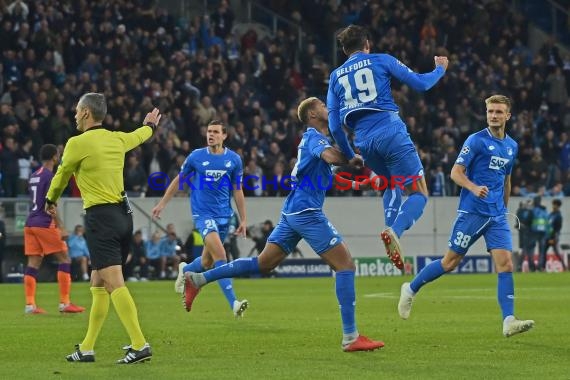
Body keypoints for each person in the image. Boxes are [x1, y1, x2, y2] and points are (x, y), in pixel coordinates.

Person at [181, 97, 384, 352]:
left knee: (263, 263)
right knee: (346, 265)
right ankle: (350, 336)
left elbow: (326, 176)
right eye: (321, 105)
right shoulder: (314, 138)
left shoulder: (314, 141)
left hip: (292, 212)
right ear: (311, 114)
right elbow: (332, 157)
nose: (326, 107)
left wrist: (357, 183)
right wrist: (355, 158)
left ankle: (198, 278)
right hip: (306, 212)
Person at [397, 95, 535, 338]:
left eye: (499, 112)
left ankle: (509, 319)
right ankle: (410, 288)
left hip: (496, 216)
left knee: (506, 264)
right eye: (491, 111)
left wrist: (504, 208)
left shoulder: (511, 146)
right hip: (471, 212)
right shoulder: (476, 140)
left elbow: (507, 180)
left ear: (508, 116)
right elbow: (455, 172)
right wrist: (473, 187)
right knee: (449, 263)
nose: (494, 115)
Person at [46, 93, 160, 364]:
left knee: (113, 283)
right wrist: (151, 126)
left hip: (101, 218)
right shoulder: (117, 138)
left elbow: (62, 174)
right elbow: (140, 136)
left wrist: (50, 200)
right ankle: (87, 348)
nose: (74, 115)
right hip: (123, 216)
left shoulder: (77, 143)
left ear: (86, 112)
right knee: (98, 282)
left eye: (76, 110)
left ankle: (139, 343)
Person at [326, 24, 448, 269]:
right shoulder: (381, 60)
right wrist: (439, 69)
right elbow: (421, 84)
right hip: (390, 131)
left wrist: (350, 155)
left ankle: (391, 231)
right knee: (419, 193)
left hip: (363, 142)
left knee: (390, 183)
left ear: (344, 50)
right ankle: (394, 231)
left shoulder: (335, 76)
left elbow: (335, 126)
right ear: (367, 45)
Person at [151, 120, 249, 317]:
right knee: (221, 257)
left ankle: (185, 269)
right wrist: (162, 203)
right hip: (203, 215)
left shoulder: (234, 160)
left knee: (206, 262)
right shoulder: (196, 157)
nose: (210, 135)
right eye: (208, 131)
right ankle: (234, 303)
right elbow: (179, 181)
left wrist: (243, 219)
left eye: (215, 132)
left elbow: (238, 190)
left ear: (224, 135)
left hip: (224, 216)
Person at [23, 144, 85, 314]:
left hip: (30, 223)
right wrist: (61, 226)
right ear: (55, 157)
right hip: (44, 223)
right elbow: (50, 205)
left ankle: (30, 305)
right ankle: (65, 303)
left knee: (33, 262)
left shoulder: (34, 175)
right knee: (65, 259)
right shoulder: (51, 176)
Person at [541, 199, 566, 270]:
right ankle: (543, 268)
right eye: (553, 204)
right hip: (547, 236)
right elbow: (547, 225)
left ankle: (564, 266)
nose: (553, 206)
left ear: (558, 206)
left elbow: (558, 228)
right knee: (543, 252)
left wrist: (553, 238)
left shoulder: (558, 216)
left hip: (553, 237)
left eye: (555, 204)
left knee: (556, 252)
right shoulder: (551, 214)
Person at [515, 199, 535, 272]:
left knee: (527, 250)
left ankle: (526, 266)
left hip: (529, 234)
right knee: (525, 250)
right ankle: (526, 266)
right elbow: (518, 223)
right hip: (525, 234)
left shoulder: (530, 212)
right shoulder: (522, 211)